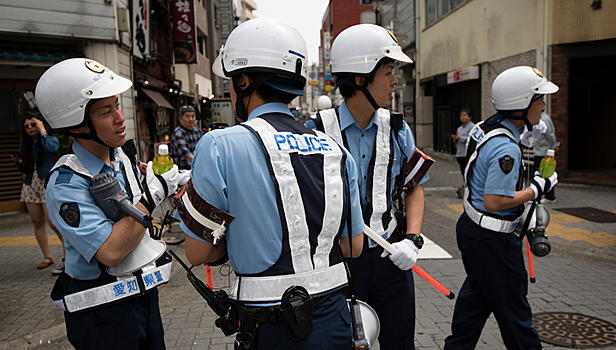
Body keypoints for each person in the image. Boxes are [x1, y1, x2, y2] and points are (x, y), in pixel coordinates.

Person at [174, 18, 365, 349]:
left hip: (270, 325)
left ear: (244, 80)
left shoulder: (220, 145)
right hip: (336, 318)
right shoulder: (335, 149)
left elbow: (197, 251)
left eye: (232, 81)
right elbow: (353, 246)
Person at [36, 58, 180, 349]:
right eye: (106, 111)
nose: (120, 117)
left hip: (143, 295)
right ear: (74, 123)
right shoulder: (66, 183)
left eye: (117, 105)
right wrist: (152, 196)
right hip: (103, 312)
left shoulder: (120, 157)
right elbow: (111, 251)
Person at [307, 23, 431, 350]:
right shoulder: (315, 131)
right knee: (341, 343)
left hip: (392, 255)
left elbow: (414, 186)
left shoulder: (398, 128)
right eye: (389, 72)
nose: (395, 81)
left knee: (400, 343)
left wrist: (413, 240)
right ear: (360, 78)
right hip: (338, 262)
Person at [444, 66, 559, 350]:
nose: (543, 107)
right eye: (539, 100)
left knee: (475, 303)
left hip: (473, 230)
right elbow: (494, 201)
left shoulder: (486, 127)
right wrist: (536, 189)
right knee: (515, 315)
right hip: (493, 240)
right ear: (520, 105)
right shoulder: (506, 147)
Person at [11, 115, 65, 272]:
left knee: (54, 222)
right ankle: (47, 257)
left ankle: (68, 256)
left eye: (33, 124)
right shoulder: (25, 147)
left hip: (47, 185)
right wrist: (19, 162)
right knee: (37, 222)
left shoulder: (50, 140)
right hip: (30, 185)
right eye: (26, 126)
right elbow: (25, 169)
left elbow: (52, 149)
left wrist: (43, 131)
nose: (29, 128)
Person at [533, 112, 559, 203]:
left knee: (545, 174)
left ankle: (549, 196)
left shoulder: (544, 119)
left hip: (543, 151)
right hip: (539, 150)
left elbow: (550, 135)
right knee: (541, 173)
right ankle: (543, 194)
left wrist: (553, 146)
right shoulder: (538, 118)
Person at [169, 105, 204, 170]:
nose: (191, 119)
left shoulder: (198, 132)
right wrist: (203, 164)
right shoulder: (178, 133)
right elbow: (187, 155)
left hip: (196, 169)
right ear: (180, 119)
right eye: (187, 116)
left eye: (193, 116)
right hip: (182, 172)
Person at [452, 108, 475, 179]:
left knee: (469, 173)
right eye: (461, 115)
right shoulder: (459, 128)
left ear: (470, 117)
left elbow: (472, 139)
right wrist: (455, 138)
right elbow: (457, 141)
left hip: (468, 153)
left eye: (465, 115)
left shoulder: (473, 127)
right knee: (463, 172)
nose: (463, 117)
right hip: (460, 153)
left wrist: (461, 138)